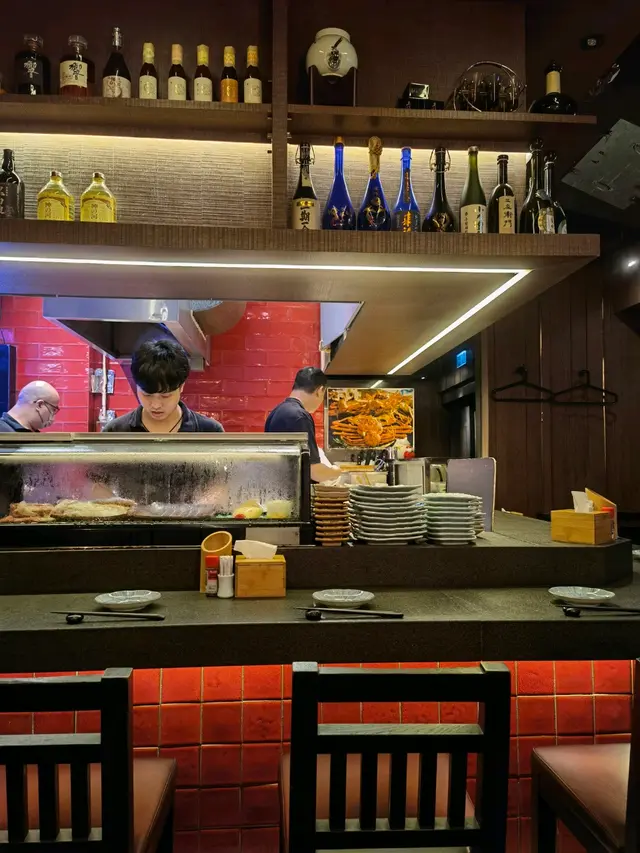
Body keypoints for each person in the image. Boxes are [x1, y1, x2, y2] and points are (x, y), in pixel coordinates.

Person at [103, 339, 224, 433]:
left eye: (165, 396)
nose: (156, 405)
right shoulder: (115, 431)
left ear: (181, 387)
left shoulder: (209, 431)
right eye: (147, 394)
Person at [265, 367, 341, 483]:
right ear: (320, 390)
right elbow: (315, 472)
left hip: (279, 485)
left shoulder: (277, 411)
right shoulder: (300, 416)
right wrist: (335, 471)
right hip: (293, 489)